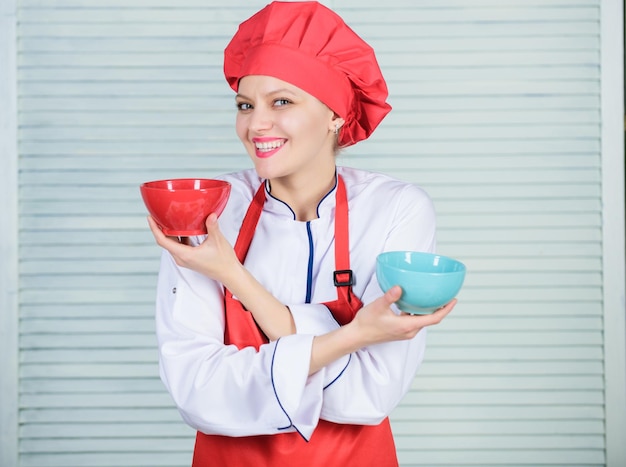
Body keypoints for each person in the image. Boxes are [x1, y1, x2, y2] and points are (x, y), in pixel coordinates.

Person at [147, 2, 457, 466]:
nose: (256, 124)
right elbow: (198, 390)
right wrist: (352, 338)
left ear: (335, 114)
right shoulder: (210, 208)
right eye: (245, 105)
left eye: (282, 102)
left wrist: (231, 275)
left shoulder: (395, 209)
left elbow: (368, 397)